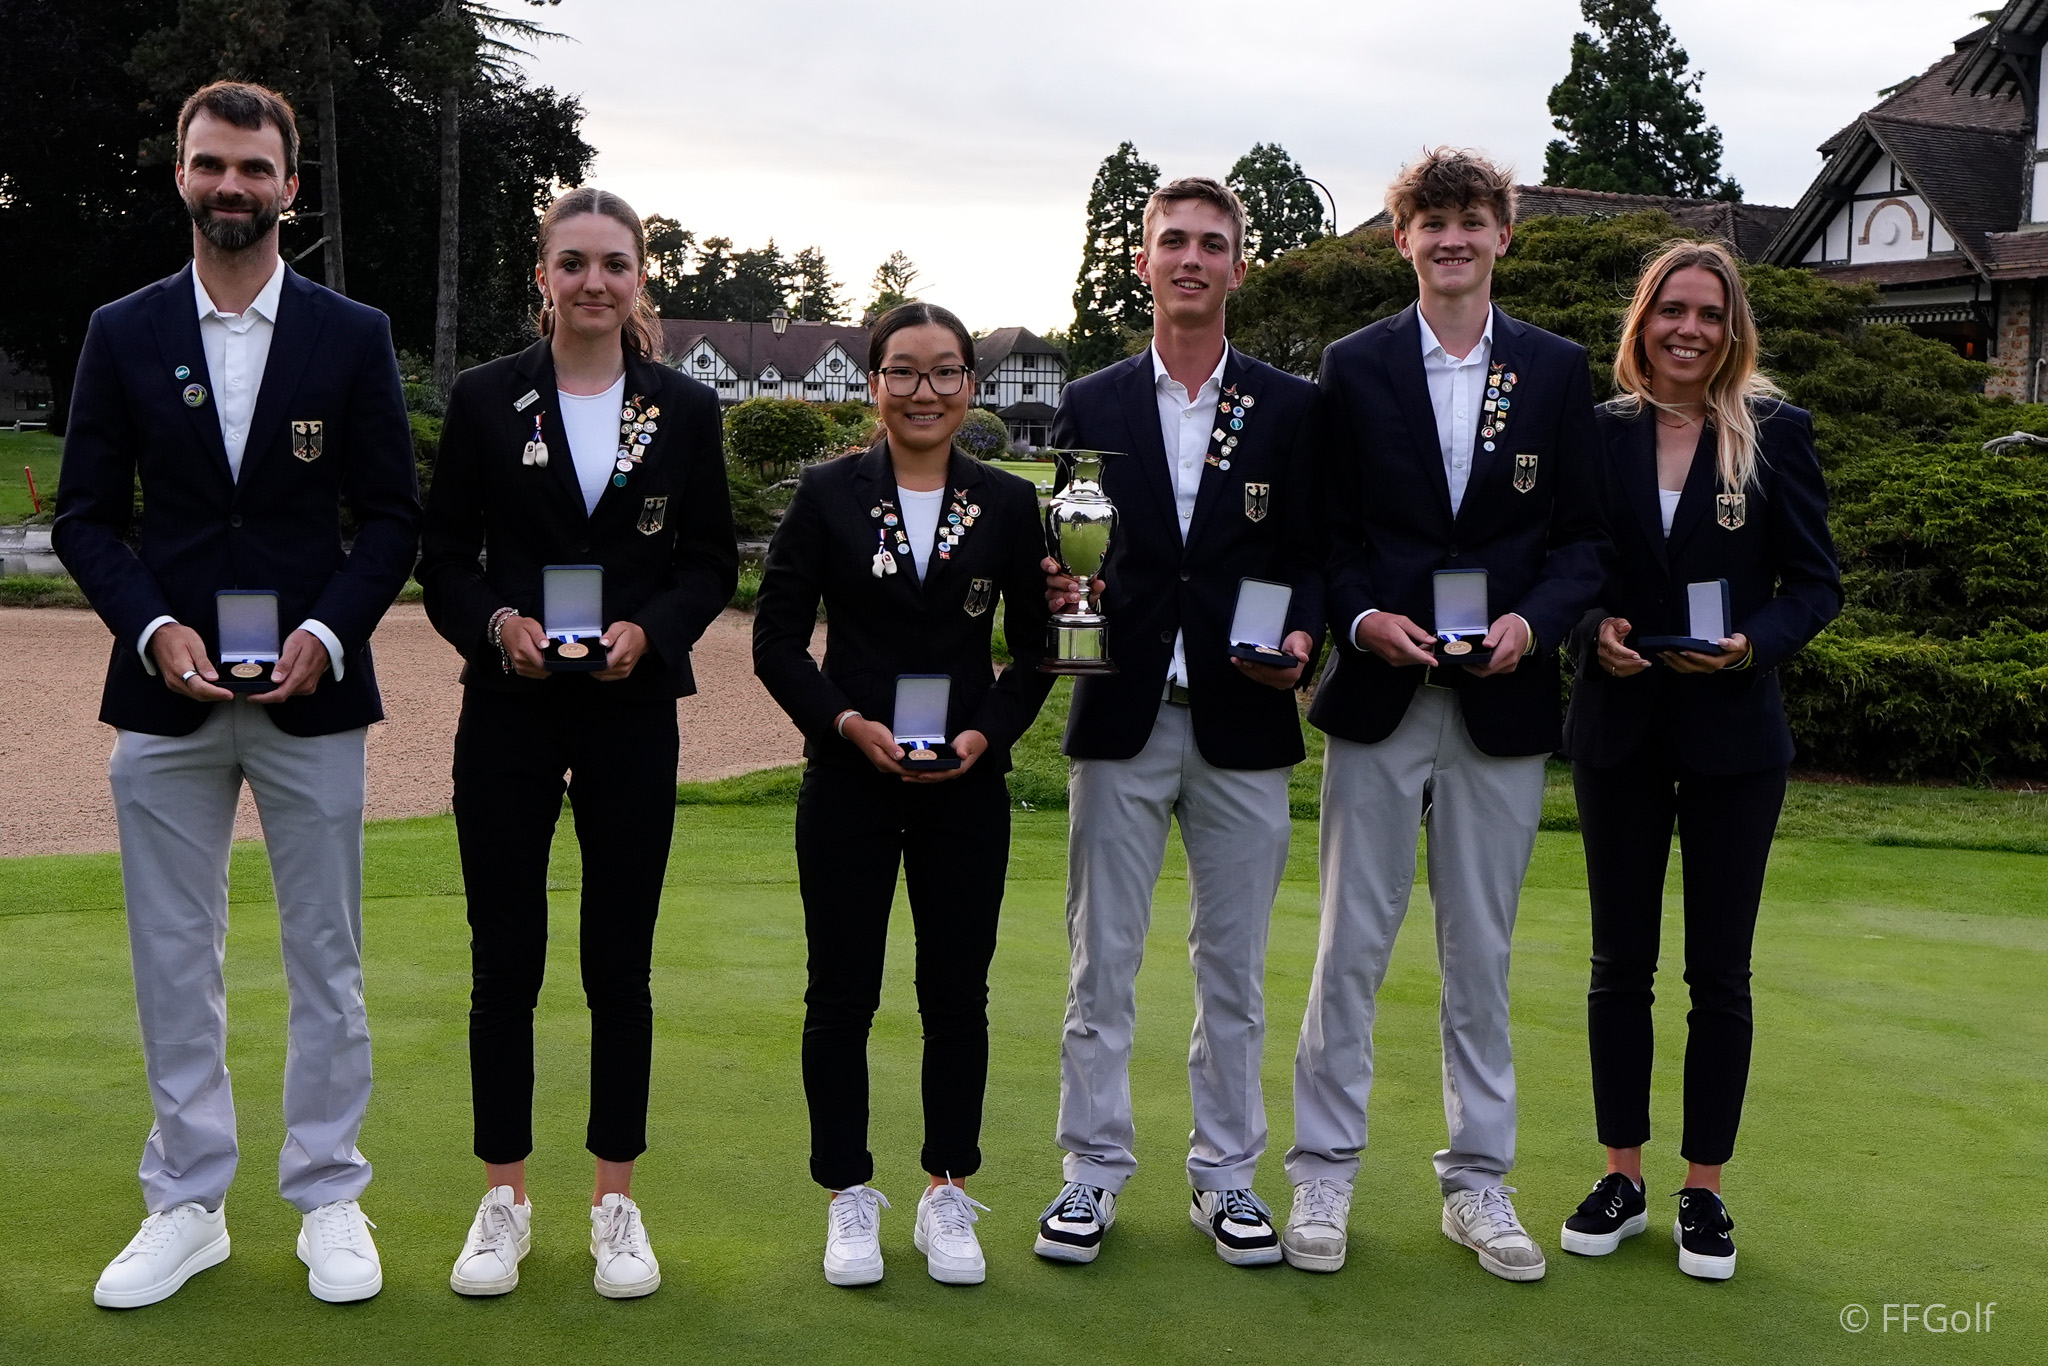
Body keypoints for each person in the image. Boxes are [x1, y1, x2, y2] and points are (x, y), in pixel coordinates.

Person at [55, 81, 419, 1308]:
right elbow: (88, 518)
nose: (232, 187)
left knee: (326, 952)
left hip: (311, 694)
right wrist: (152, 627)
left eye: (254, 170)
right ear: (179, 177)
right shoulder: (119, 329)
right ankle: (187, 1199)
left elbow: (391, 520)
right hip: (165, 698)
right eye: (211, 165)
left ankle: (327, 1193)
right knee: (173, 953)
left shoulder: (351, 333)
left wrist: (327, 628)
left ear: (290, 188)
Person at [1287, 148, 1608, 1280]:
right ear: (1402, 240)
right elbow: (1324, 537)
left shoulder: (1556, 370)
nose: (1452, 239)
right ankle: (1320, 1173)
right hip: (1381, 693)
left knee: (1480, 951)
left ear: (1502, 236)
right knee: (1348, 947)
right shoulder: (1353, 364)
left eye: (1472, 220)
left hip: (1502, 699)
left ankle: (1478, 1183)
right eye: (1432, 222)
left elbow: (1581, 542)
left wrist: (1535, 623)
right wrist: (1361, 614)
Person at [416, 187, 737, 1300]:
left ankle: (615, 1201)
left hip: (630, 708)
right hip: (507, 703)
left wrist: (651, 632)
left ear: (640, 278)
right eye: (572, 263)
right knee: (505, 961)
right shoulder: (484, 397)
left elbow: (710, 564)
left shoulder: (685, 409)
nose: (593, 282)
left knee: (618, 964)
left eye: (614, 264)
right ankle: (503, 1197)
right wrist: (496, 623)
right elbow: (444, 554)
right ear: (541, 276)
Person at [1034, 177, 1323, 1269]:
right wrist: (1059, 600)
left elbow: (1309, 560)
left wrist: (1303, 635)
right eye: (1172, 243)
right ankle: (1090, 1173)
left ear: (1236, 267)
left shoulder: (1289, 406)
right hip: (1121, 714)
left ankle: (1226, 1180)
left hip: (1243, 717)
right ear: (1143, 264)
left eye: (1212, 244)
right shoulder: (1093, 401)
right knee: (1099, 962)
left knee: (1232, 970)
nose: (1191, 258)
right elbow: (1067, 555)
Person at [753, 303, 1055, 1287]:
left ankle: (945, 1189)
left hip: (964, 782)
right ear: (872, 382)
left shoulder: (1010, 504)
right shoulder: (826, 494)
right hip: (847, 777)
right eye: (902, 371)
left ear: (970, 384)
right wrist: (842, 724)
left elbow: (1042, 647)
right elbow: (776, 639)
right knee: (840, 993)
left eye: (943, 372)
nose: (923, 391)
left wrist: (986, 732)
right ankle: (847, 1193)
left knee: (954, 994)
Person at [1556, 241, 1840, 1281]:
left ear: (1731, 330)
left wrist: (1751, 643)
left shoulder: (1774, 433)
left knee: (1717, 973)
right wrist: (1591, 629)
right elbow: (1565, 567)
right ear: (1643, 320)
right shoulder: (1595, 433)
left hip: (1733, 738)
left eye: (1707, 314)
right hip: (1618, 727)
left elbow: (1812, 584)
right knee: (1614, 966)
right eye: (1670, 309)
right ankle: (1619, 1173)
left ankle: (1702, 1189)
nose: (1687, 329)